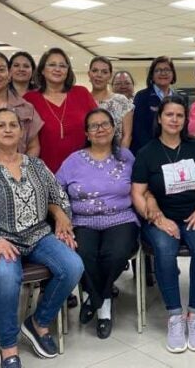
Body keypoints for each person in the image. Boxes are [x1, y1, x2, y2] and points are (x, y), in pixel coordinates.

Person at [0, 108, 84, 368]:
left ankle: (37, 323)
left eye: (13, 125)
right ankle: (8, 347)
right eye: (1, 125)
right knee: (6, 274)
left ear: (21, 132)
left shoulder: (36, 165)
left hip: (37, 235)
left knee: (73, 266)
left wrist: (62, 216)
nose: (8, 129)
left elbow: (58, 196)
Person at [131, 95, 195, 353]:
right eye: (169, 114)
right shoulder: (147, 152)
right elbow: (137, 192)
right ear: (160, 118)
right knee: (165, 251)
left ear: (185, 118)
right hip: (161, 217)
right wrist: (157, 217)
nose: (174, 119)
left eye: (180, 115)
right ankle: (175, 317)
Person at [55, 109, 139, 339]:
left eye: (105, 124)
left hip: (121, 218)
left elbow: (141, 188)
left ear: (114, 129)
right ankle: (103, 302)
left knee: (115, 253)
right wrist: (60, 216)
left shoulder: (126, 157)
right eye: (94, 126)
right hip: (83, 220)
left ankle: (96, 300)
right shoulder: (73, 160)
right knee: (84, 253)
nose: (100, 129)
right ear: (87, 133)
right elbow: (54, 191)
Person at [23, 47, 96, 172]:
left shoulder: (81, 93)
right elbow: (24, 139)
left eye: (62, 66)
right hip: (44, 172)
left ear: (68, 71)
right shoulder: (30, 99)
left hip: (83, 172)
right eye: (52, 65)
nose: (57, 69)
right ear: (42, 70)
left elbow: (97, 127)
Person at [131, 56, 188, 153]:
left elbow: (184, 126)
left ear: (173, 74)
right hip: (148, 151)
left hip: (175, 150)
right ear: (152, 75)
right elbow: (139, 129)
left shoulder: (181, 98)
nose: (163, 73)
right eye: (158, 70)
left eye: (167, 70)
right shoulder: (142, 96)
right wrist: (154, 150)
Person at [88, 56, 134, 148]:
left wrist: (120, 159)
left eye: (104, 72)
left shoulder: (121, 101)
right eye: (95, 71)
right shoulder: (81, 99)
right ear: (89, 74)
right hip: (85, 157)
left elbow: (127, 136)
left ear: (110, 76)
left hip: (116, 157)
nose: (99, 75)